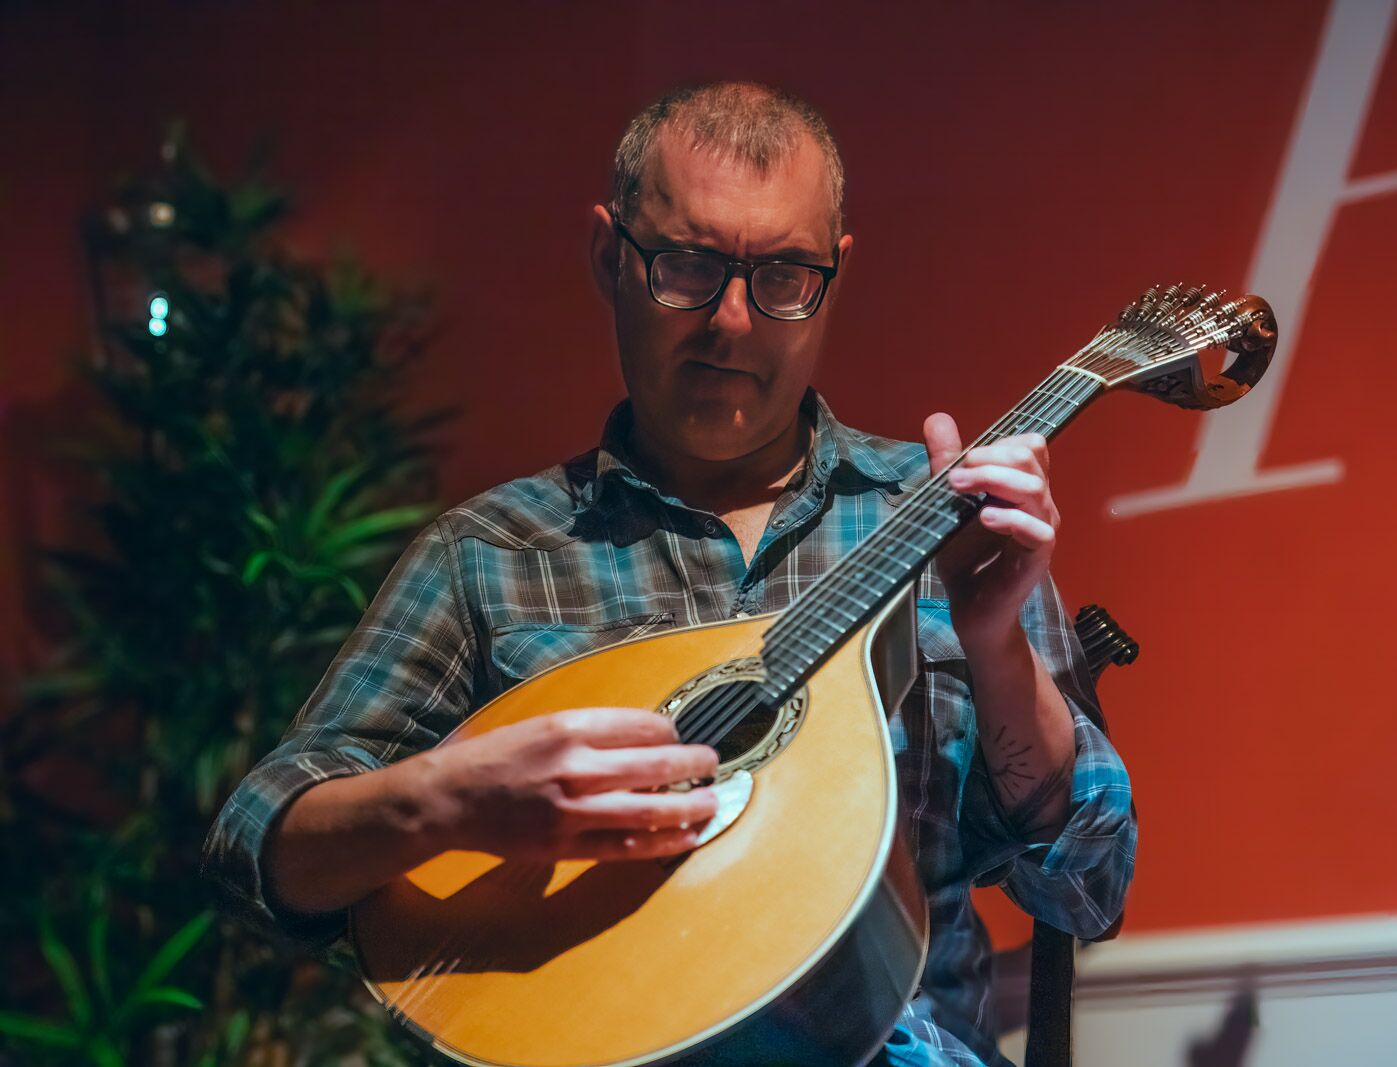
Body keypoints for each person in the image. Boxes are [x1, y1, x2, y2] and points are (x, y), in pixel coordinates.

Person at [203, 81, 1135, 1067]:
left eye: (782, 273)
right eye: (688, 266)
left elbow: (1088, 886)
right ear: (610, 256)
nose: (732, 320)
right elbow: (252, 848)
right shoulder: (487, 556)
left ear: (835, 274)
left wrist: (994, 646)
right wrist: (447, 800)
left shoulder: (945, 511)